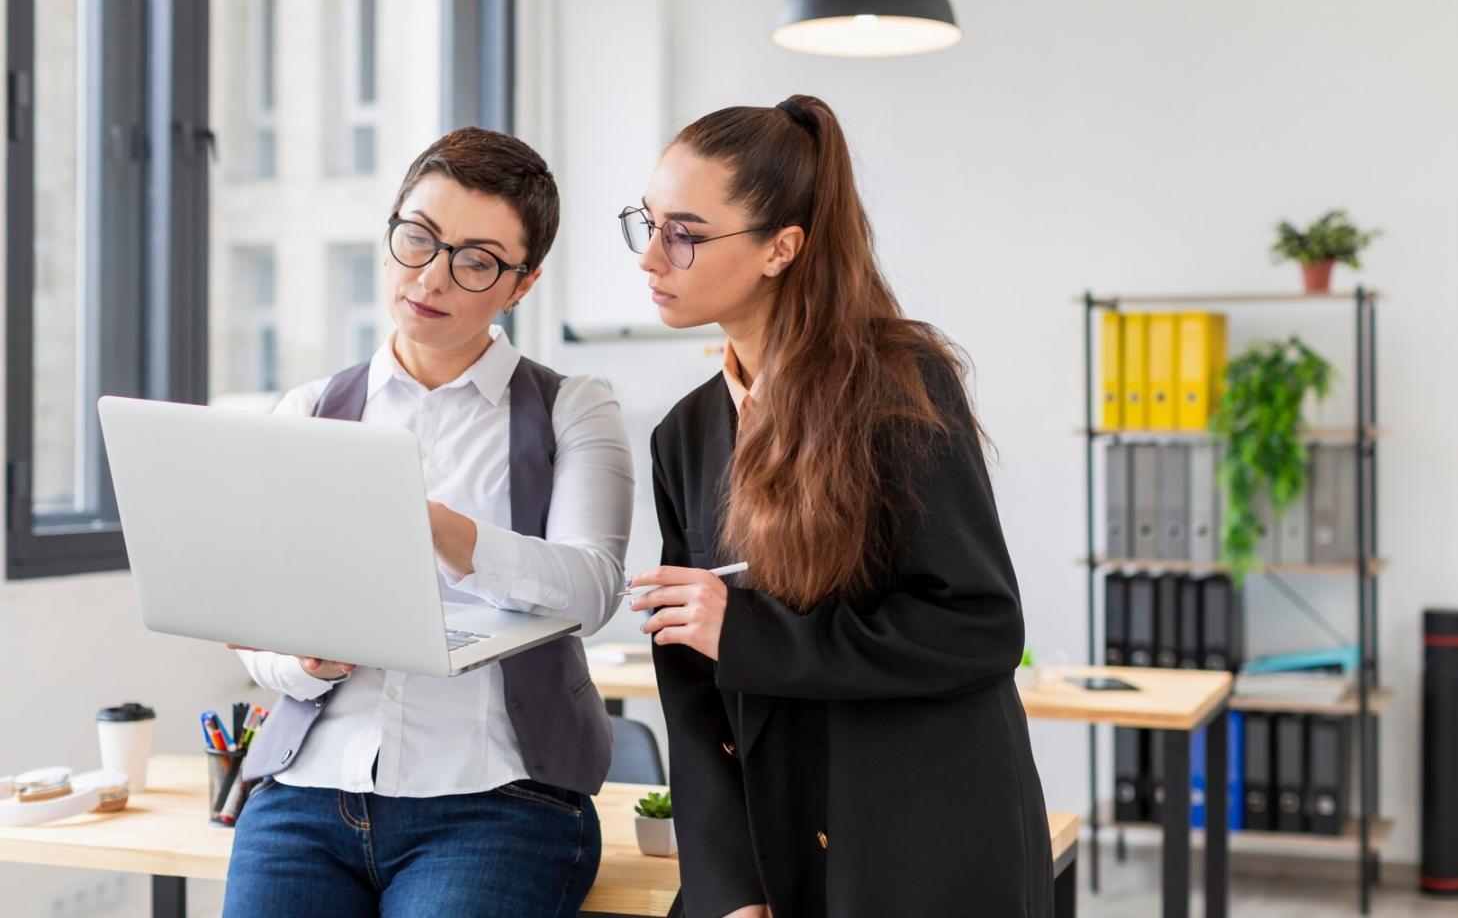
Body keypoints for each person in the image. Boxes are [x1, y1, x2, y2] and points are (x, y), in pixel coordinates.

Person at [619, 95, 1053, 917]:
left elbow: (979, 627)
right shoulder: (685, 436)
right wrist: (726, 888)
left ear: (781, 248)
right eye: (646, 223)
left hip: (921, 840)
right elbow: (690, 692)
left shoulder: (902, 387)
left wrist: (749, 635)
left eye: (683, 231)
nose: (650, 258)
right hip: (773, 850)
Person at [222, 127, 634, 918]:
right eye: (418, 239)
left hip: (496, 802)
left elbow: (593, 590)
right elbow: (254, 628)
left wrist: (440, 529)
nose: (432, 276)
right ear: (390, 237)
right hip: (307, 794)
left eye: (475, 260)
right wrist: (303, 663)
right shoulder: (308, 411)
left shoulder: (572, 408)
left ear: (522, 283)